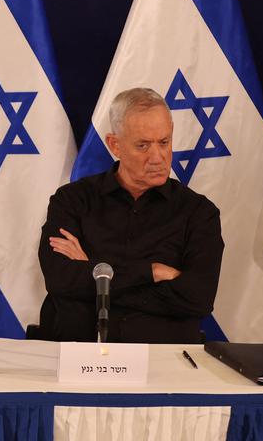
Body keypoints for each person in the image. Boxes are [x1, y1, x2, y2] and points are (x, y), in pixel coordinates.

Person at [36, 88, 223, 343]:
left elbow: (198, 299)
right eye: (143, 145)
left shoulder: (199, 213)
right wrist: (152, 272)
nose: (157, 157)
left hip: (164, 363)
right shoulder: (71, 201)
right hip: (76, 354)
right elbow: (60, 280)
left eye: (164, 142)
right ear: (115, 145)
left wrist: (97, 273)